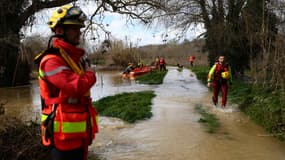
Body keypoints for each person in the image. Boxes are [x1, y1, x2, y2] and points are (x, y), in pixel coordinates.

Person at [34, 5, 98, 160]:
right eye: (74, 28)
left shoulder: (72, 59)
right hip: (62, 137)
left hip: (78, 134)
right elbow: (76, 87)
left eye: (79, 28)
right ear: (59, 31)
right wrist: (91, 74)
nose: (79, 32)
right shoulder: (51, 61)